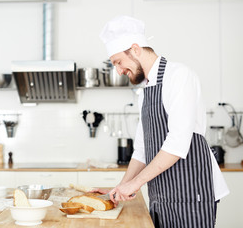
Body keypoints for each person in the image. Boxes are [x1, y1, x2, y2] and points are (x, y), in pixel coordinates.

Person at [97, 15, 229, 227]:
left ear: (135, 49)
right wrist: (120, 188)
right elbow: (141, 150)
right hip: (162, 194)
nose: (119, 71)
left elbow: (177, 144)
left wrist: (136, 183)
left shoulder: (179, 76)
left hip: (192, 193)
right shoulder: (146, 91)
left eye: (118, 62)